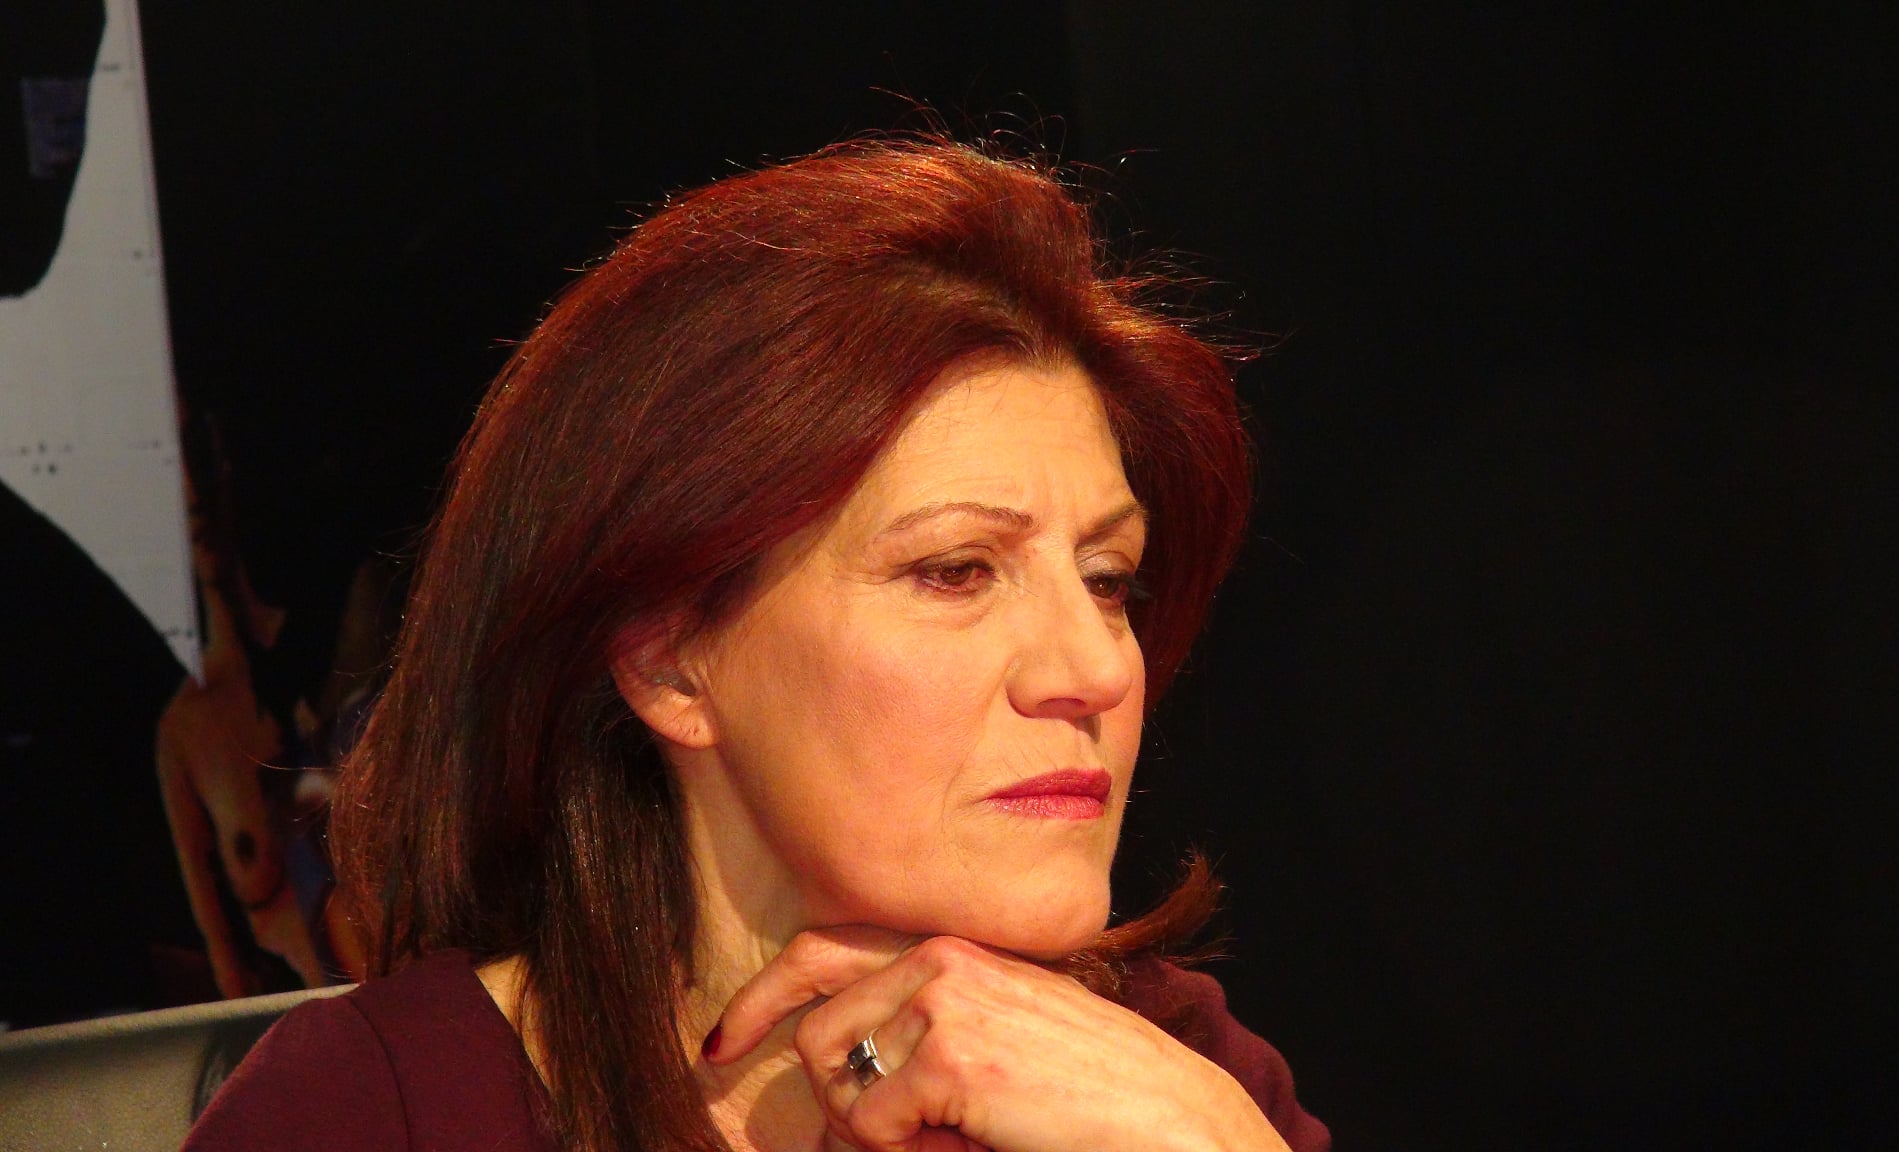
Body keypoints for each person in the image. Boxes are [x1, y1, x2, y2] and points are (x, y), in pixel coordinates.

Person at [185, 136, 1330, 1152]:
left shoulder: (1171, 1069)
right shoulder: (372, 1114)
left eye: (1108, 579)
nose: (1094, 670)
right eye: (955, 572)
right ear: (667, 659)